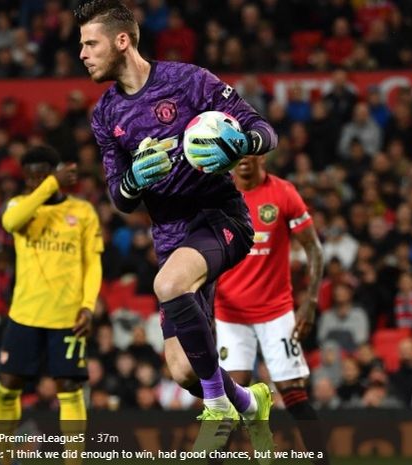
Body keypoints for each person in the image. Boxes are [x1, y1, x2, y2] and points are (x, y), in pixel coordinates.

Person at [75, 0, 276, 454]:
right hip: (170, 235)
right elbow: (119, 198)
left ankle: (219, 409)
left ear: (121, 41)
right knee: (183, 369)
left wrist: (243, 143)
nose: (83, 54)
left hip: (219, 216)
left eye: (91, 43)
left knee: (168, 282)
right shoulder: (105, 115)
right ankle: (249, 401)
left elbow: (263, 128)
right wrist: (134, 178)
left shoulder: (187, 81)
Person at [215, 155, 330, 465]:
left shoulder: (283, 193)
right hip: (230, 314)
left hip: (276, 312)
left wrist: (310, 303)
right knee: (226, 401)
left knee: (293, 394)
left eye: (248, 151)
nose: (241, 159)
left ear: (261, 154)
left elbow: (314, 249)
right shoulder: (217, 193)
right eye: (234, 151)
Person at [0, 145, 102, 465]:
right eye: (32, 179)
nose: (37, 183)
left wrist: (88, 306)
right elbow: (11, 222)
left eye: (43, 175)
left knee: (69, 387)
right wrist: (51, 183)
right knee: (8, 384)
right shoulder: (19, 206)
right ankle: (5, 460)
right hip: (25, 314)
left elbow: (92, 264)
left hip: (67, 317)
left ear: (54, 171)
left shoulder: (83, 212)